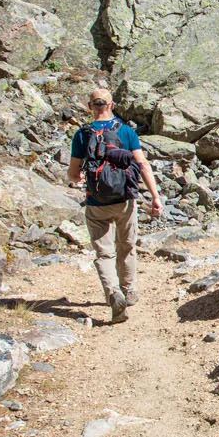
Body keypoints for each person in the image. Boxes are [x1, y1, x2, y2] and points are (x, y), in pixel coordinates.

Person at [68, 89, 163, 323]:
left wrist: (78, 178)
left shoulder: (81, 135)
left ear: (91, 106)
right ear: (112, 105)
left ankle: (113, 293)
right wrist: (155, 196)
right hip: (125, 200)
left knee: (104, 253)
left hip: (95, 201)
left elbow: (72, 174)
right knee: (127, 246)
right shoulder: (126, 132)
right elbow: (142, 165)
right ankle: (129, 291)